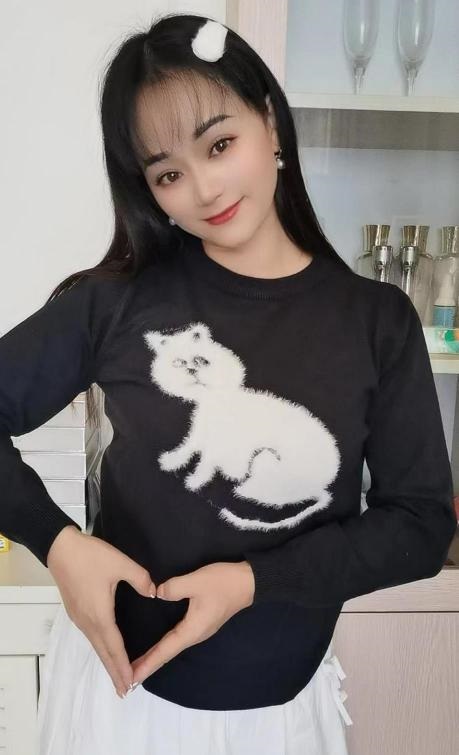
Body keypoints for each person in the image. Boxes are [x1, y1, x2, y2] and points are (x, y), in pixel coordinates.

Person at [0, 12, 456, 755]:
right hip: (122, 708)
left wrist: (251, 581)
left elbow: (420, 525)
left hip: (284, 718)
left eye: (218, 144)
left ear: (269, 121)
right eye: (168, 174)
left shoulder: (377, 321)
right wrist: (58, 545)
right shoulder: (116, 303)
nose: (204, 188)